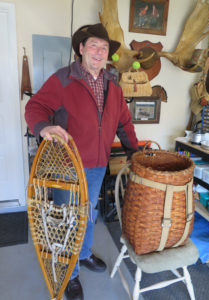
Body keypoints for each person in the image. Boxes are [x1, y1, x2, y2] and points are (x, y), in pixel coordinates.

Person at [25, 23, 138, 300]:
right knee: (69, 220)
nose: (99, 52)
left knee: (88, 216)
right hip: (68, 166)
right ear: (81, 49)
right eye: (93, 46)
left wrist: (134, 151)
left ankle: (84, 254)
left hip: (98, 163)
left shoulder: (113, 84)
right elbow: (35, 107)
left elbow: (124, 121)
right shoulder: (63, 79)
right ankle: (71, 274)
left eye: (104, 47)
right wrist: (44, 127)